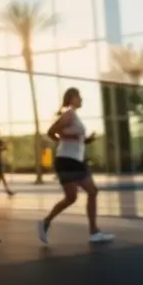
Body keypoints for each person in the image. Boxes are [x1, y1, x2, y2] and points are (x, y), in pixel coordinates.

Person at [37, 88, 113, 245]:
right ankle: (94, 232)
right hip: (68, 160)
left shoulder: (74, 116)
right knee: (92, 192)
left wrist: (86, 140)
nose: (81, 99)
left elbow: (73, 138)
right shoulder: (69, 114)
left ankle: (46, 222)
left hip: (72, 159)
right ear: (71, 98)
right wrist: (64, 137)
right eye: (79, 97)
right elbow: (51, 131)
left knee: (72, 197)